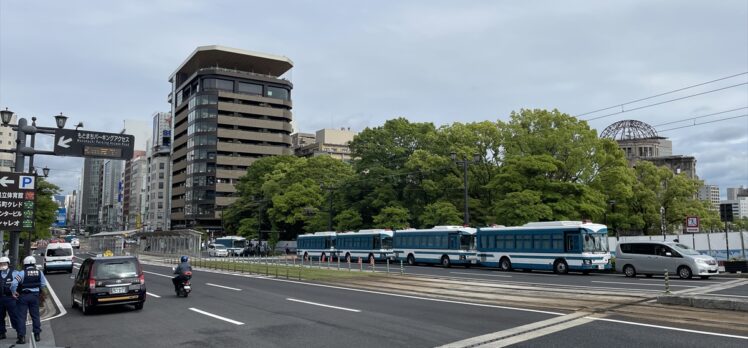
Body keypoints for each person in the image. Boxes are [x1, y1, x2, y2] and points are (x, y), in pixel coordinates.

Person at [11, 256, 47, 344]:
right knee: (35, 316)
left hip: (23, 296)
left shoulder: (22, 273)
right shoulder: (39, 272)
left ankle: (22, 337)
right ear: (34, 264)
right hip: (35, 297)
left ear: (25, 264)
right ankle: (37, 335)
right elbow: (43, 284)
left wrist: (14, 292)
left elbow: (14, 283)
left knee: (21, 317)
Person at [0, 257, 18, 340]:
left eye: (4, 264)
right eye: (1, 264)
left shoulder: (14, 273)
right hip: (0, 298)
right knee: (0, 317)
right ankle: (2, 333)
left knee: (14, 316)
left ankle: (19, 332)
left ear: (8, 264)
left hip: (11, 298)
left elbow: (19, 283)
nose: (2, 265)